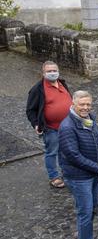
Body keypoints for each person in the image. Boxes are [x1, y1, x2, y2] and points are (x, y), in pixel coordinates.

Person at [58, 91, 98, 239]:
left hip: (93, 174)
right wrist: (97, 167)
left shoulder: (91, 119)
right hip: (79, 177)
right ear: (73, 104)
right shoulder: (67, 127)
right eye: (82, 105)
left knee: (93, 209)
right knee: (85, 212)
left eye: (88, 104)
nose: (86, 108)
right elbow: (73, 155)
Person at [26, 60, 72, 188]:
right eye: (49, 71)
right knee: (52, 152)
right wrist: (35, 123)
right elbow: (30, 110)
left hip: (67, 127)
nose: (52, 73)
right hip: (51, 129)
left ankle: (67, 173)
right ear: (43, 73)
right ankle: (54, 177)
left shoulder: (62, 84)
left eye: (54, 70)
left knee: (66, 152)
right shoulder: (38, 89)